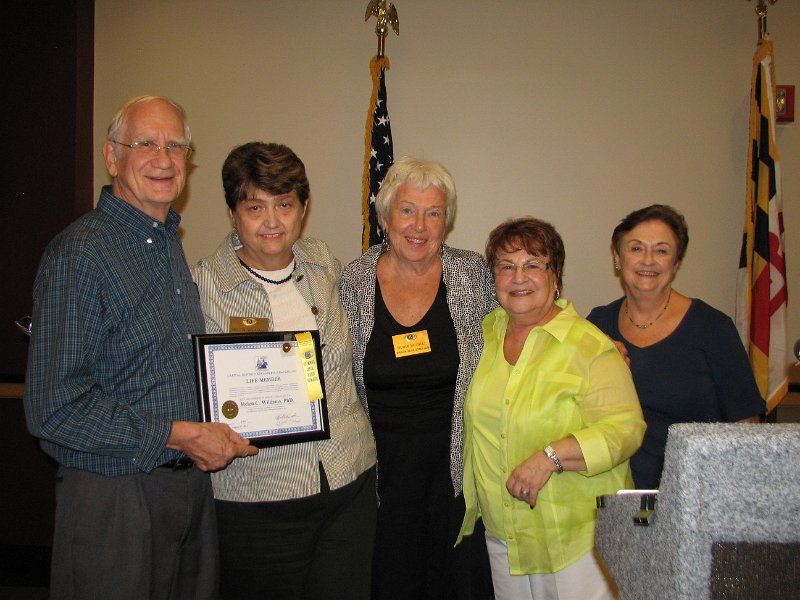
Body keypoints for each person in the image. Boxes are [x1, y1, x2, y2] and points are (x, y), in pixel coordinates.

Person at [23, 95, 257, 600]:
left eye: (176, 145)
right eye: (146, 143)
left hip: (186, 491)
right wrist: (179, 435)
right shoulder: (80, 253)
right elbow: (54, 410)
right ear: (112, 157)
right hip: (114, 498)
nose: (164, 158)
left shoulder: (167, 244)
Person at [191, 142, 377, 600]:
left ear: (303, 208)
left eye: (285, 205)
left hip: (348, 483)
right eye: (255, 207)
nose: (272, 222)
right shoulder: (202, 285)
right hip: (257, 499)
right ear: (234, 213)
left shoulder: (323, 266)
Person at [458, 217, 646, 600]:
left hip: (577, 539)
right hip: (505, 533)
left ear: (555, 275)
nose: (518, 277)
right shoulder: (486, 334)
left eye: (533, 265)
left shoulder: (589, 346)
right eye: (506, 266)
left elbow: (625, 429)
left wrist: (550, 457)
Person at [340, 157, 496, 599]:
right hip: (380, 479)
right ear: (385, 215)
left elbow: (521, 325)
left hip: (455, 475)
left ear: (447, 222)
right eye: (407, 210)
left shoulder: (472, 275)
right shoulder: (352, 281)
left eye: (433, 213)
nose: (419, 225)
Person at [587, 204, 764, 490]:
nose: (648, 260)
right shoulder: (597, 325)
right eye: (636, 249)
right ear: (617, 258)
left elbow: (747, 428)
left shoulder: (713, 328)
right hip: (617, 494)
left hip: (698, 495)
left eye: (661, 250)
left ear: (676, 263)